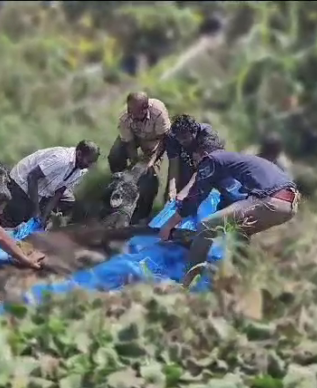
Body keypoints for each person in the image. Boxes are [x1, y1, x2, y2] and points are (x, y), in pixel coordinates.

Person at [158, 141, 299, 288]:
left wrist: (169, 226)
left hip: (270, 199)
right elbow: (229, 205)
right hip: (288, 204)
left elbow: (194, 199)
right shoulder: (234, 163)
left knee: (207, 225)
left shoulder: (211, 160)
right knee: (239, 233)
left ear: (204, 155)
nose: (197, 167)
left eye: (196, 161)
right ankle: (239, 283)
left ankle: (188, 282)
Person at [0, 140, 100, 228]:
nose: (90, 165)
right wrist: (36, 209)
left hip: (41, 190)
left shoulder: (81, 170)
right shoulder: (61, 159)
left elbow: (59, 191)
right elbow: (32, 176)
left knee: (31, 222)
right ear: (79, 154)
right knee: (15, 221)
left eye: (93, 162)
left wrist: (44, 215)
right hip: (21, 183)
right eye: (89, 161)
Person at [108, 92, 171, 223]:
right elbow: (129, 142)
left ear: (145, 108)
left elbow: (165, 139)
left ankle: (142, 213)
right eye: (129, 109)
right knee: (115, 155)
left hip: (155, 139)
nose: (130, 112)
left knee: (150, 175)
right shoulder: (125, 117)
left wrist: (151, 161)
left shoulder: (158, 111)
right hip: (135, 136)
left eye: (134, 110)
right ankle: (121, 186)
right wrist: (134, 162)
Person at [160, 113, 224, 204]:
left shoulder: (207, 134)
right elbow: (173, 164)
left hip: (209, 164)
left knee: (197, 191)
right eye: (179, 138)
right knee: (175, 194)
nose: (181, 141)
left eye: (185, 138)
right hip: (186, 161)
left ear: (194, 132)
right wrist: (172, 189)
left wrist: (186, 190)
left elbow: (204, 166)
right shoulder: (173, 136)